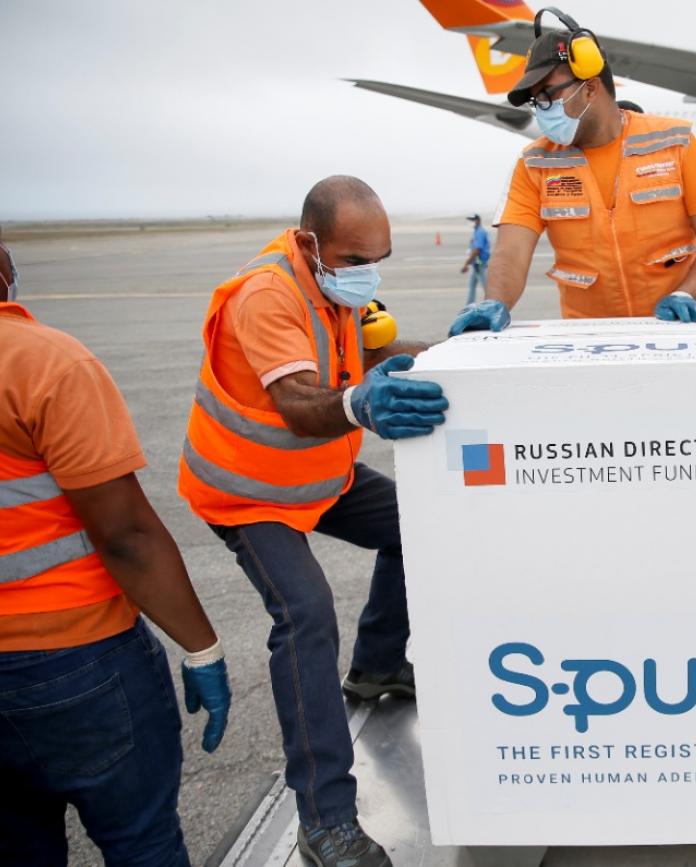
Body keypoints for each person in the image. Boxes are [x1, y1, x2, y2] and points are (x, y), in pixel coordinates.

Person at [176, 176, 449, 867]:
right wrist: (362, 405)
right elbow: (302, 400)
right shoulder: (267, 294)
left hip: (315, 474)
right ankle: (326, 818)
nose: (369, 273)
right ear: (309, 242)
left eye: (378, 257)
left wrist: (449, 347)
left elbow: (361, 357)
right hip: (247, 490)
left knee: (419, 520)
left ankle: (378, 666)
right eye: (357, 260)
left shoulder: (331, 283)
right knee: (306, 614)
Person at [0, 240, 230, 866]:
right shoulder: (42, 363)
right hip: (73, 662)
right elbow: (125, 534)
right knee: (141, 843)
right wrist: (202, 646)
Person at [448, 8, 696, 335]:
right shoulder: (535, 163)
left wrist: (687, 294)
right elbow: (511, 249)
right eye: (534, 100)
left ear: (591, 87)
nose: (542, 109)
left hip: (676, 330)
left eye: (548, 95)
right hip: (590, 341)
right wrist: (495, 301)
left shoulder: (677, 142)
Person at [460, 213, 491, 304]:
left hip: (480, 264)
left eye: (472, 220)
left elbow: (477, 250)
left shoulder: (480, 232)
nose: (470, 222)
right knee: (472, 286)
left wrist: (466, 263)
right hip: (475, 264)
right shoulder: (476, 232)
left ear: (478, 221)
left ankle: (491, 304)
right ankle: (469, 306)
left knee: (486, 287)